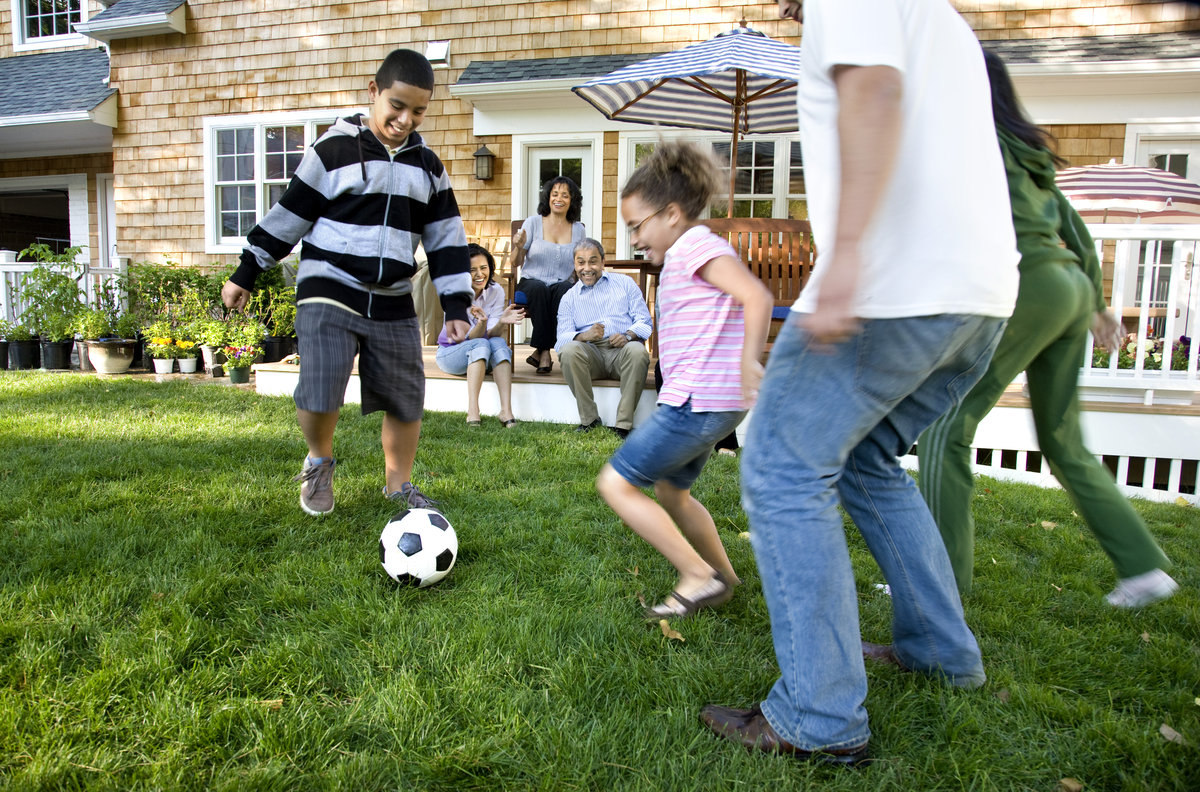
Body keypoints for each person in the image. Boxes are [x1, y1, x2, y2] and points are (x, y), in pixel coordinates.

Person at [701, 0, 1020, 765]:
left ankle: (819, 716)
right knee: (867, 457)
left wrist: (844, 256)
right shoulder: (939, 16)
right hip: (975, 300)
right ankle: (941, 648)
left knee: (779, 461)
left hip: (898, 288)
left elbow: (871, 89)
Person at [918, 51, 1177, 608]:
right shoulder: (1025, 148)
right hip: (1067, 289)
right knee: (1063, 439)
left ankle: (939, 585)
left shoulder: (968, 144)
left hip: (1027, 289)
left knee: (946, 423)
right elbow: (1072, 224)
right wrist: (1099, 303)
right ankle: (1143, 566)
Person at [221, 49, 471, 517]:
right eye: (397, 105)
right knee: (322, 383)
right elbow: (290, 213)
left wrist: (456, 304)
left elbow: (446, 240)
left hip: (393, 294)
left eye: (418, 111)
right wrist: (247, 269)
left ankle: (398, 485)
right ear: (373, 93)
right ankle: (319, 460)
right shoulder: (333, 150)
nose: (405, 119)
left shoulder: (429, 167)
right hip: (329, 285)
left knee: (405, 395)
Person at [596, 141, 773, 619]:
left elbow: (756, 297)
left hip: (698, 401)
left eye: (637, 225)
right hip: (711, 402)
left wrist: (747, 361)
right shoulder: (684, 254)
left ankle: (696, 575)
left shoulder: (694, 244)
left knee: (615, 483)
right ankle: (723, 580)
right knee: (673, 491)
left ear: (672, 213)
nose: (633, 239)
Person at [555, 239, 653, 438]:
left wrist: (628, 335)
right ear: (574, 265)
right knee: (568, 350)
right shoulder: (569, 298)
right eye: (581, 262)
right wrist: (583, 336)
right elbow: (560, 341)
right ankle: (589, 420)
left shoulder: (624, 283)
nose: (587, 268)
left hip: (622, 350)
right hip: (592, 354)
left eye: (593, 261)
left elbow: (645, 321)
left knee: (637, 351)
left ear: (602, 262)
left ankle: (623, 425)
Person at [435, 243, 525, 427]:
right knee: (481, 345)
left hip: (479, 352)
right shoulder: (453, 294)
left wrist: (501, 321)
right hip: (450, 353)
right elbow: (468, 339)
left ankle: (506, 411)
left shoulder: (496, 291)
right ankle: (473, 410)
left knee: (499, 343)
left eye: (483, 268)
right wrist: (482, 322)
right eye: (472, 270)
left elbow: (491, 334)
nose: (479, 274)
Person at [511, 177, 587, 374]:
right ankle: (545, 351)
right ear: (548, 197)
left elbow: (581, 261)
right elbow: (515, 262)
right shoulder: (533, 223)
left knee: (563, 291)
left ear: (572, 200)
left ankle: (540, 350)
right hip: (531, 282)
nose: (559, 199)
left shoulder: (578, 229)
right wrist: (519, 248)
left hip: (562, 282)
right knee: (539, 290)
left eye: (565, 195)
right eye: (555, 194)